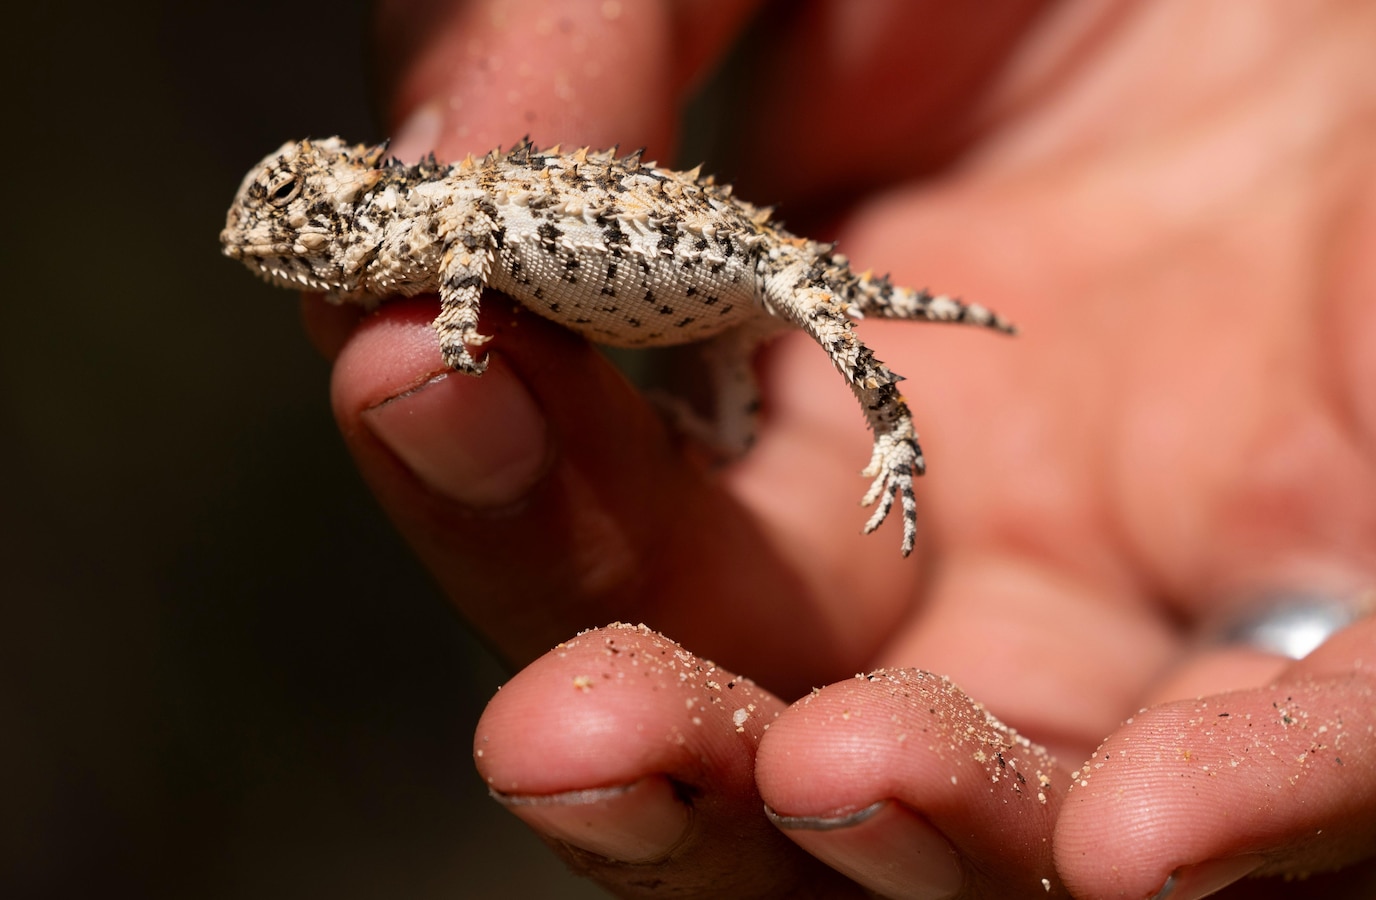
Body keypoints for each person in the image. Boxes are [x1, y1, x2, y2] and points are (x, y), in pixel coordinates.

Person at [304, 1, 1376, 896]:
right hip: (692, 297)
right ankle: (724, 432)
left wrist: (456, 333)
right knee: (730, 367)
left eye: (308, 240)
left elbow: (473, 244)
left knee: (807, 316)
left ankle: (892, 446)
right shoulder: (447, 205)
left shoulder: (453, 213)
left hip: (729, 261)